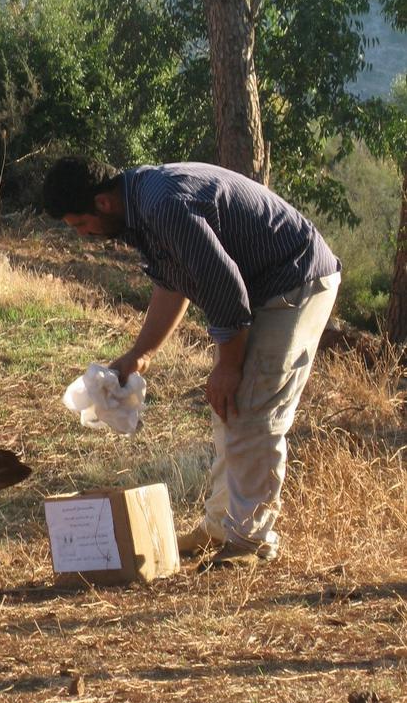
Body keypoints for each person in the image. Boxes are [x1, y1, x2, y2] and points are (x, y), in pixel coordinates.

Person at [43, 157, 341, 568]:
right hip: (264, 286)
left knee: (252, 409)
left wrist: (229, 365)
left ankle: (251, 540)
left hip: (296, 279)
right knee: (230, 409)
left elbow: (222, 283)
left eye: (81, 225)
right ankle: (221, 526)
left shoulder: (163, 205)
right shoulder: (140, 207)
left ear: (102, 203)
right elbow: (174, 282)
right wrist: (140, 353)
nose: (84, 236)